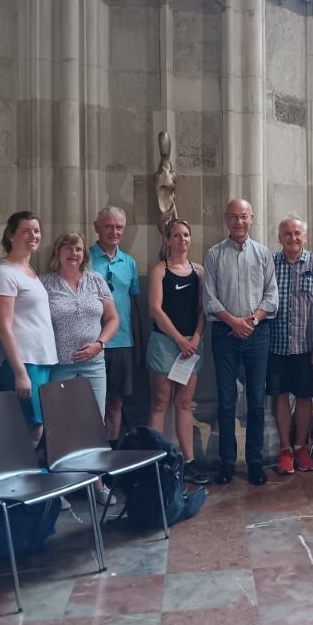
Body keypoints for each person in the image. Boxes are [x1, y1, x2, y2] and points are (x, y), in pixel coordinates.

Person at [203, 198, 279, 486]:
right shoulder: (214, 255)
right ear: (226, 219)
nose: (239, 221)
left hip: (257, 334)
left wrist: (251, 322)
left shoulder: (263, 254)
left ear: (252, 218)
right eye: (234, 216)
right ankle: (227, 462)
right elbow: (209, 298)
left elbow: (271, 297)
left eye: (243, 216)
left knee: (257, 402)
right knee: (226, 402)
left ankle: (255, 462)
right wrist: (234, 322)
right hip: (225, 334)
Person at [42, 231, 120, 506]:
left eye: (77, 249)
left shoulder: (96, 280)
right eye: (68, 248)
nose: (73, 253)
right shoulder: (45, 283)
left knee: (94, 424)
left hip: (93, 364)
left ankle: (97, 483)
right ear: (58, 252)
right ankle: (62, 486)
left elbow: (113, 319)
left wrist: (100, 343)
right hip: (60, 364)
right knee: (60, 426)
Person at [268, 214, 313, 475]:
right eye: (287, 233)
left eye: (297, 233)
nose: (292, 237)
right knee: (280, 395)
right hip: (276, 344)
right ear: (279, 237)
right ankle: (285, 449)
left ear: (304, 237)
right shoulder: (270, 263)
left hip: (306, 345)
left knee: (305, 396)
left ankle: (301, 447)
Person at [0, 211, 58, 447]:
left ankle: (25, 469)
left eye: (36, 231)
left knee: (37, 426)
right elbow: (2, 326)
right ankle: (16, 470)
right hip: (22, 362)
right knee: (32, 428)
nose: (33, 236)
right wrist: (19, 373)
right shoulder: (4, 273)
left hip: (40, 359)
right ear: (11, 235)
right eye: (25, 231)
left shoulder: (29, 271)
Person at [147, 219, 209, 485]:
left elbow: (203, 310)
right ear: (167, 240)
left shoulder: (199, 271)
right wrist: (179, 340)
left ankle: (189, 462)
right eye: (176, 235)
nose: (181, 239)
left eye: (185, 235)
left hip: (191, 345)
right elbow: (155, 309)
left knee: (184, 403)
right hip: (165, 342)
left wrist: (195, 338)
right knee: (160, 403)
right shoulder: (159, 270)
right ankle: (156, 466)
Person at [89, 206, 139, 447]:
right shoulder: (84, 259)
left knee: (116, 400)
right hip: (91, 342)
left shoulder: (129, 262)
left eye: (119, 227)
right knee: (91, 402)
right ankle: (92, 449)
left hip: (121, 342)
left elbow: (133, 304)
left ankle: (111, 450)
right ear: (96, 227)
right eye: (108, 226)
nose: (114, 231)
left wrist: (137, 343)